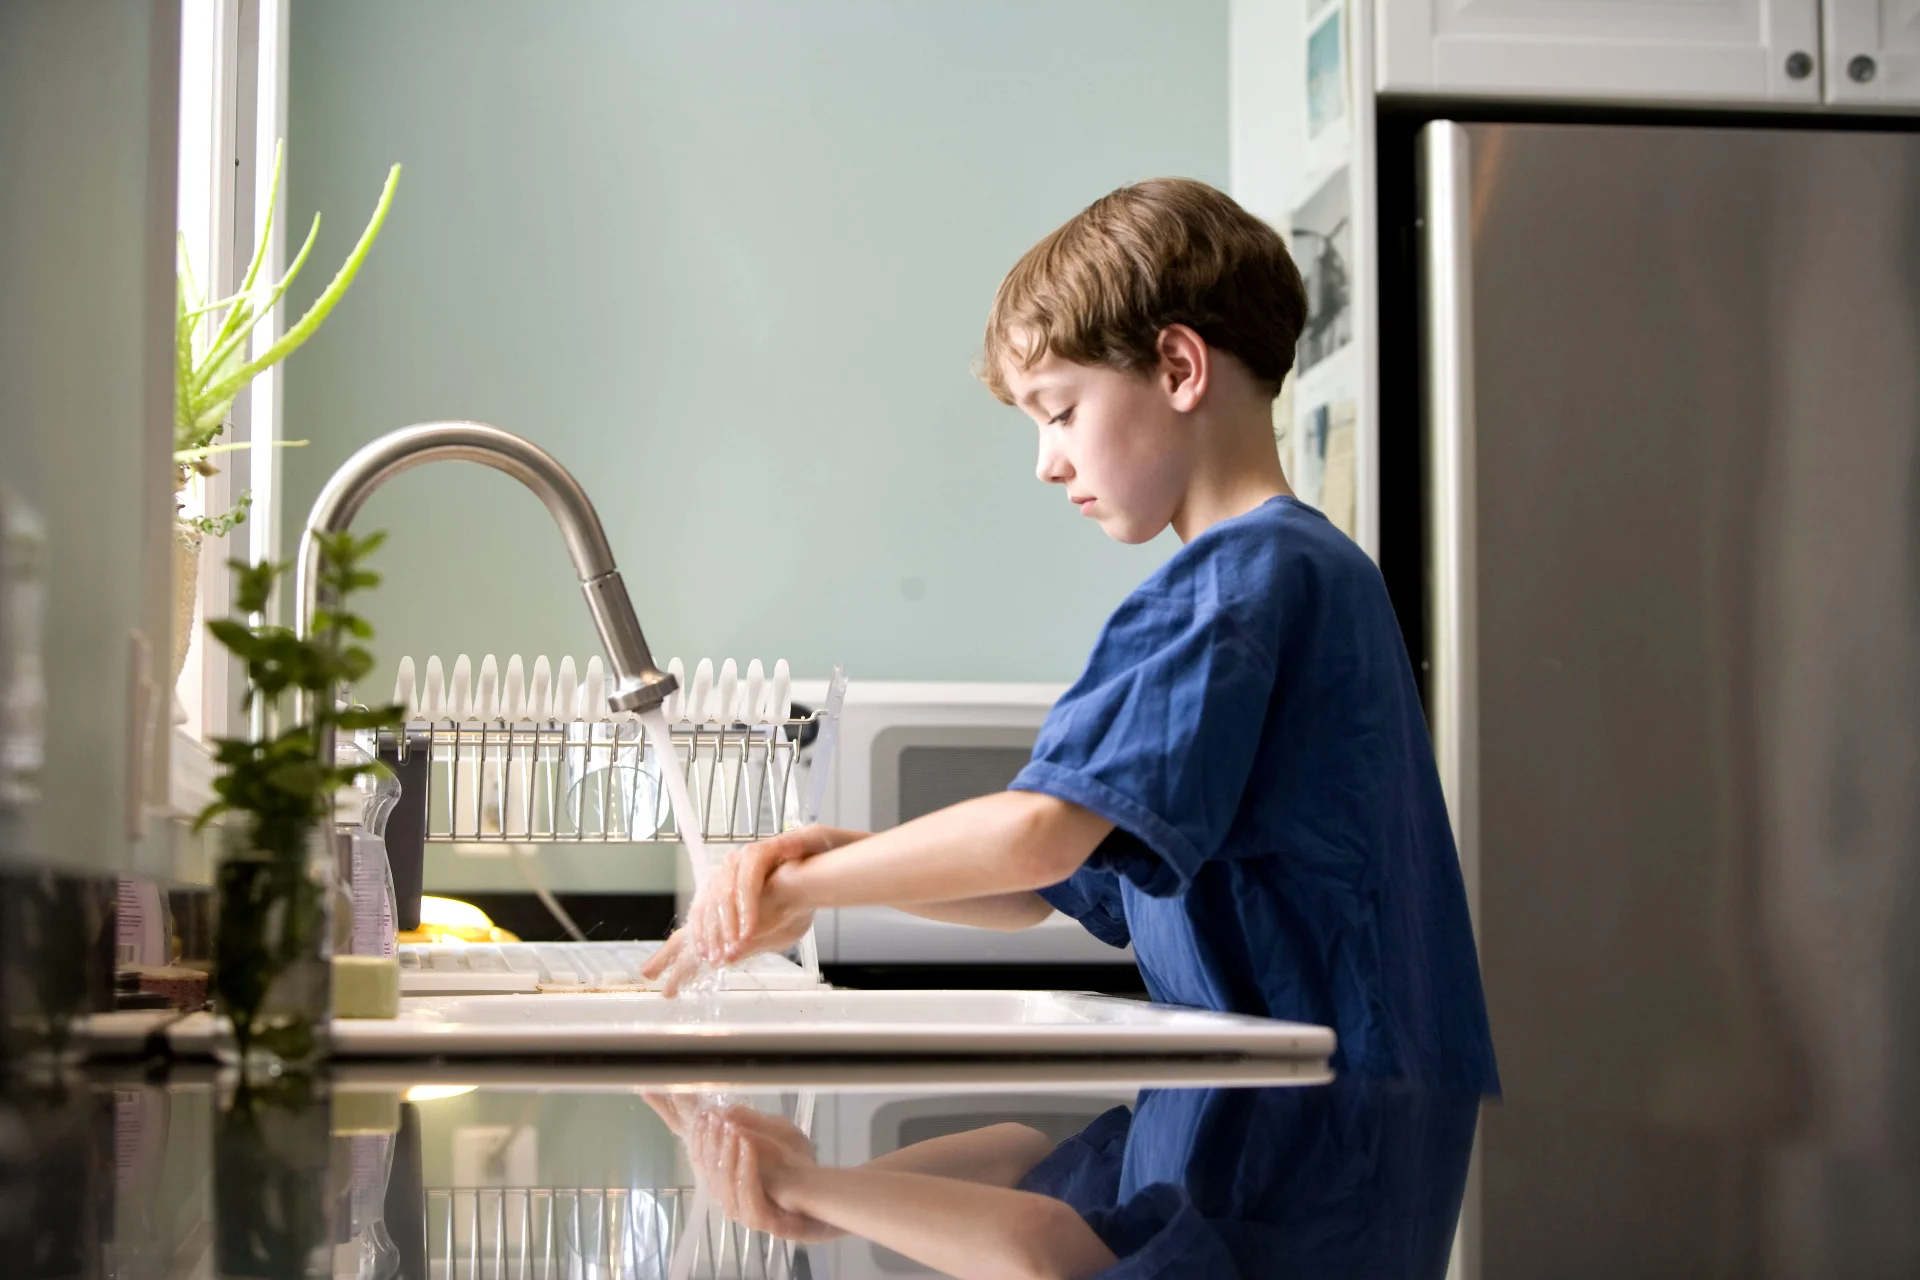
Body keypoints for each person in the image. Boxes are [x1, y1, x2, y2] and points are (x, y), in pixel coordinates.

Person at [644, 177, 1498, 1091]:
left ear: (1177, 368)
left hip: (1306, 1146)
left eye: (1058, 411)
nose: (1048, 463)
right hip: (1345, 1132)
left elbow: (1040, 836)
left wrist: (801, 890)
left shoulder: (1231, 584)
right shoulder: (1308, 570)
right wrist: (831, 856)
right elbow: (1042, 886)